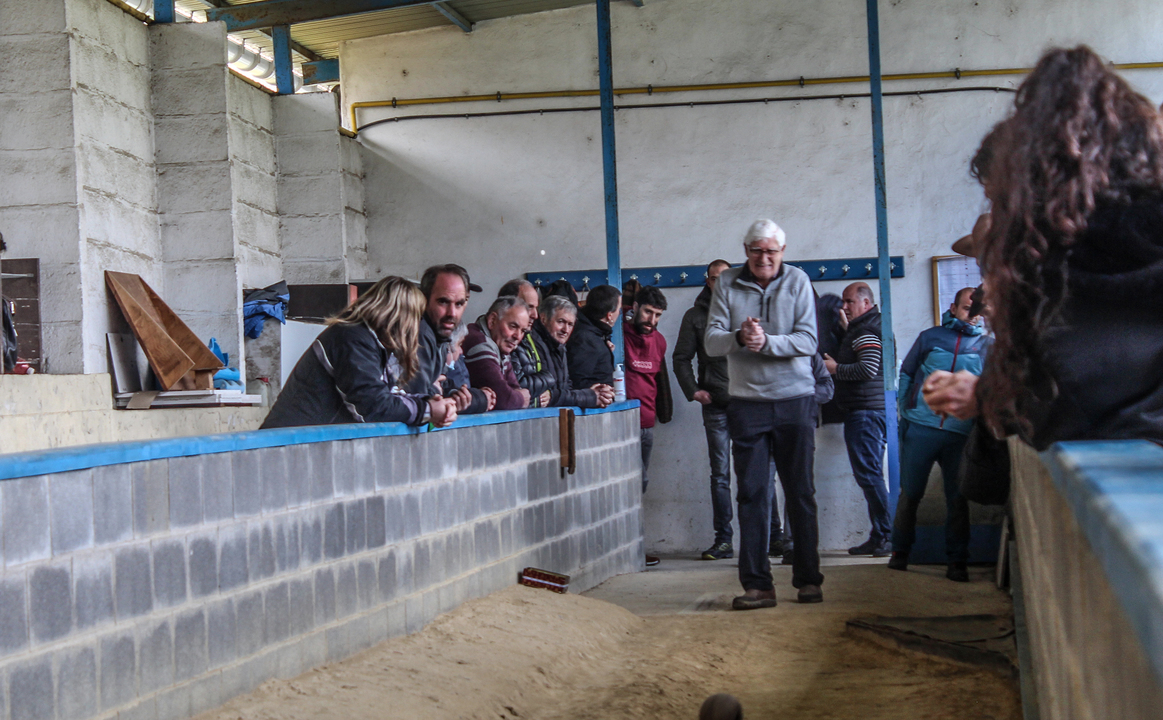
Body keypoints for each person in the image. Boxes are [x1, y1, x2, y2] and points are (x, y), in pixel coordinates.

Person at [926, 46, 1163, 449]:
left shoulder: (1068, 273)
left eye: (1001, 202)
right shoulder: (1116, 253)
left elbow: (1068, 395)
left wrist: (989, 397)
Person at [706, 219, 824, 608]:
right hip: (747, 403)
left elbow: (809, 340)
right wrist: (740, 337)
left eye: (771, 251)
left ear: (782, 252)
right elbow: (711, 342)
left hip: (795, 400)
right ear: (746, 251)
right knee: (752, 494)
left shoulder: (799, 281)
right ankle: (758, 585)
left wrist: (767, 342)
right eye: (757, 250)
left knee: (800, 492)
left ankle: (808, 580)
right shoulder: (727, 284)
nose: (764, 258)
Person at [890, 287, 992, 581]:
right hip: (921, 430)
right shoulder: (930, 337)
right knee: (910, 494)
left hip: (960, 434)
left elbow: (990, 389)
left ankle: (957, 561)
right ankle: (900, 552)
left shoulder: (988, 346)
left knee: (957, 499)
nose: (972, 316)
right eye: (966, 309)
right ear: (953, 307)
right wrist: (907, 410)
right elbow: (907, 372)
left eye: (977, 311)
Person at [262, 276, 458, 429]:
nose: (417, 327)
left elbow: (389, 396)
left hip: (304, 447)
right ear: (403, 316)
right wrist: (428, 410)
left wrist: (428, 403)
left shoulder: (372, 343)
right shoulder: (351, 338)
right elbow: (372, 405)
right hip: (286, 448)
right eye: (417, 317)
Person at [674, 260, 737, 561]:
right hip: (716, 406)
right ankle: (724, 540)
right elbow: (680, 358)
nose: (720, 283)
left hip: (750, 404)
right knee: (720, 475)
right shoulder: (695, 316)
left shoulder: (746, 308)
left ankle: (773, 537)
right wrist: (693, 391)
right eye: (714, 278)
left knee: (760, 472)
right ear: (708, 281)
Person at [823, 282, 891, 558]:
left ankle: (886, 535)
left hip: (865, 413)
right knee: (870, 475)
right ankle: (880, 535)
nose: (844, 306)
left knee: (870, 476)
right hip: (871, 411)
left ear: (866, 303)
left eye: (849, 301)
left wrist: (835, 368)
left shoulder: (866, 330)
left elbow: (867, 368)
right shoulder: (866, 327)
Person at [407, 264, 495, 414]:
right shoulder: (419, 335)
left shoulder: (440, 337)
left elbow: (441, 389)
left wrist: (470, 398)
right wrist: (478, 400)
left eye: (459, 303)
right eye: (443, 302)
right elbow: (425, 401)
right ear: (424, 299)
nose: (452, 313)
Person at [625, 285, 673, 494]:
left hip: (647, 424)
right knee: (631, 482)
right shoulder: (617, 335)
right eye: (648, 312)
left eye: (657, 315)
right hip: (623, 423)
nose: (652, 320)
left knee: (640, 485)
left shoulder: (659, 341)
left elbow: (659, 382)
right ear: (635, 307)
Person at [528, 294, 615, 408]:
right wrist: (588, 396)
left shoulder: (560, 347)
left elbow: (563, 391)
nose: (566, 330)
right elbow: (545, 396)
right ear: (543, 319)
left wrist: (590, 394)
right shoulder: (533, 345)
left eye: (570, 324)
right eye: (561, 322)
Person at [463, 296, 533, 410]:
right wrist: (520, 398)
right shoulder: (478, 342)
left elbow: (514, 388)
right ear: (492, 321)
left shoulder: (500, 344)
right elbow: (504, 399)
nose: (518, 336)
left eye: (523, 331)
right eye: (513, 326)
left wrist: (516, 397)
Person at [502, 279, 555, 408]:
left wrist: (549, 393)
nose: (535, 315)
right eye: (529, 307)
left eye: (536, 308)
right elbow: (517, 386)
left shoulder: (531, 337)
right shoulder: (501, 339)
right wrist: (548, 379)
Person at [567, 284, 621, 389]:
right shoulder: (585, 338)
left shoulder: (594, 333)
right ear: (609, 315)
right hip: (593, 398)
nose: (619, 313)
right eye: (619, 309)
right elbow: (576, 380)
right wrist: (598, 392)